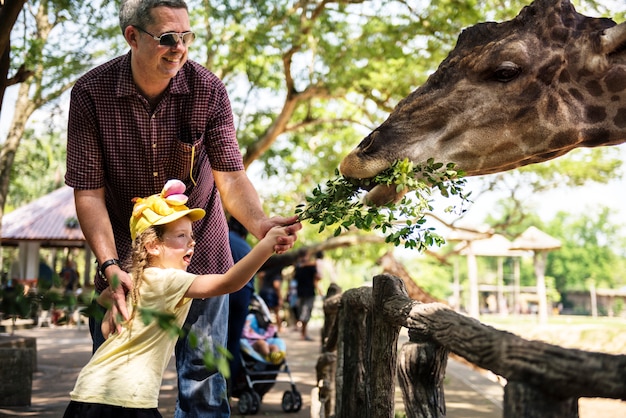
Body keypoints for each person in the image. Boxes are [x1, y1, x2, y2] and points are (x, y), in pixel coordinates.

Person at [64, 0, 301, 415]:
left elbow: (230, 175)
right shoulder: (90, 94)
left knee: (204, 384)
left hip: (201, 253)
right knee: (114, 380)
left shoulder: (207, 89)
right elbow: (88, 192)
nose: (179, 47)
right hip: (127, 261)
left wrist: (260, 223)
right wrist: (109, 266)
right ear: (132, 36)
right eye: (167, 38)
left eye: (186, 37)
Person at [63, 181, 290, 418]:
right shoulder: (168, 280)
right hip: (127, 401)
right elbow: (228, 283)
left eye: (191, 236)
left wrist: (103, 299)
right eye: (181, 236)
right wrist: (266, 245)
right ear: (152, 246)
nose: (192, 242)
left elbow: (107, 328)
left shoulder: (130, 283)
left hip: (86, 395)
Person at [226, 217, 255, 391]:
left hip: (223, 292)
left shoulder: (222, 236)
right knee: (234, 342)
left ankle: (217, 387)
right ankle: (230, 387)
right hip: (244, 295)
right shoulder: (247, 247)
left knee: (216, 339)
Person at [293, 250, 322, 341]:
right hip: (308, 293)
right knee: (305, 313)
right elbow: (318, 277)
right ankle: (303, 334)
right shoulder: (311, 266)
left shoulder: (298, 267)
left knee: (303, 312)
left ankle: (303, 333)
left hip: (301, 293)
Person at [258, 266, 284, 332]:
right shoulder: (276, 273)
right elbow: (276, 285)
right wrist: (280, 297)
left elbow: (260, 278)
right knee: (276, 311)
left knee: (266, 312)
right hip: (272, 293)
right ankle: (279, 328)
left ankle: (266, 328)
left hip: (264, 292)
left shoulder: (266, 271)